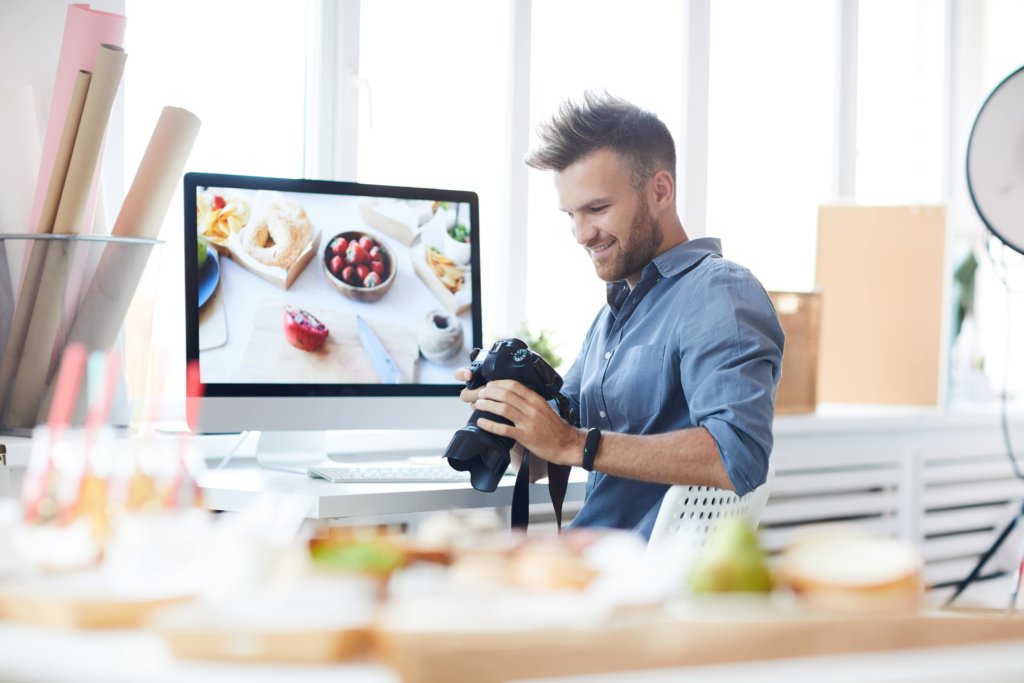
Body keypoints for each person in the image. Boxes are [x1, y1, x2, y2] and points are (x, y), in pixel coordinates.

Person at [457, 91, 785, 540]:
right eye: (570, 215)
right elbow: (543, 458)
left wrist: (576, 444)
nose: (581, 234)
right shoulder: (611, 317)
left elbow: (739, 454)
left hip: (637, 578)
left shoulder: (719, 292)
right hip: (590, 562)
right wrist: (512, 418)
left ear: (660, 191)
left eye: (597, 209)